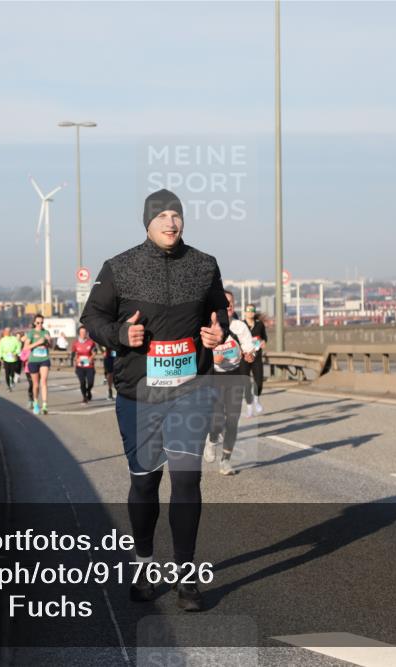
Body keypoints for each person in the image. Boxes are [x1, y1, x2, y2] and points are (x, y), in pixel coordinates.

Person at [81, 188, 229, 611]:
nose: (170, 222)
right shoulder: (120, 267)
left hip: (190, 391)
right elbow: (92, 317)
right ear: (147, 222)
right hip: (139, 394)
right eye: (161, 216)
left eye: (175, 215)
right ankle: (144, 564)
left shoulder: (204, 265)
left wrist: (218, 332)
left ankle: (186, 576)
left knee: (186, 478)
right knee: (145, 482)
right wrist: (120, 335)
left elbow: (219, 311)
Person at [204, 291, 256, 475]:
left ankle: (225, 461)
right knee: (217, 420)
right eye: (225, 303)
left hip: (234, 376)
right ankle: (212, 440)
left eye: (231, 303)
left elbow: (249, 349)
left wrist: (250, 355)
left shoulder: (239, 327)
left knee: (232, 420)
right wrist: (213, 360)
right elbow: (201, 354)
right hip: (215, 378)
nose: (229, 306)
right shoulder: (209, 326)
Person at [242, 304, 267, 416]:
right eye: (248, 310)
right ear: (245, 312)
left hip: (256, 357)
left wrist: (263, 342)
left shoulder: (259, 324)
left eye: (252, 310)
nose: (250, 312)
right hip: (244, 357)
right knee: (246, 382)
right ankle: (249, 407)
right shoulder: (241, 325)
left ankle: (256, 400)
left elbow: (264, 338)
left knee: (259, 381)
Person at [24, 315, 53, 415]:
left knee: (43, 381)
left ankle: (45, 405)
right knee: (35, 385)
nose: (40, 324)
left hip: (44, 359)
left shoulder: (46, 332)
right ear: (34, 323)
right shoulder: (31, 333)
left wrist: (49, 341)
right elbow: (26, 347)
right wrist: (38, 343)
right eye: (38, 322)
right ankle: (36, 403)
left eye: (42, 322)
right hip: (33, 361)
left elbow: (51, 346)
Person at [72, 326, 98, 403]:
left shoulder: (91, 342)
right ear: (79, 333)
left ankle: (88, 390)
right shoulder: (75, 343)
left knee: (90, 383)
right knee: (82, 382)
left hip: (89, 366)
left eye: (84, 332)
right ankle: (84, 397)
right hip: (80, 366)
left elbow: (95, 352)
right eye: (81, 332)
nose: (83, 334)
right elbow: (73, 354)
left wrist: (91, 357)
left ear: (86, 333)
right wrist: (76, 359)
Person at [0, 327, 22, 392]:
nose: (8, 332)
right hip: (5, 358)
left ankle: (12, 381)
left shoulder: (14, 339)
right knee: (7, 373)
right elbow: (0, 348)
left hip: (13, 358)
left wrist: (16, 353)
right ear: (5, 332)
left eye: (9, 331)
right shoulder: (2, 340)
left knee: (12, 373)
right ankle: (8, 386)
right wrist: (0, 356)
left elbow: (18, 346)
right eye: (6, 331)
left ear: (10, 332)